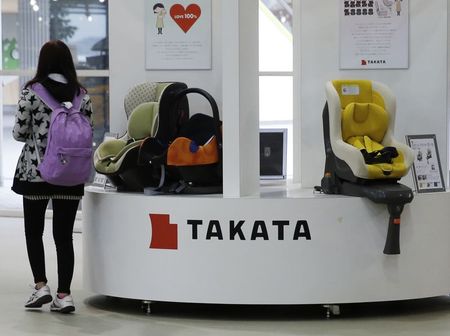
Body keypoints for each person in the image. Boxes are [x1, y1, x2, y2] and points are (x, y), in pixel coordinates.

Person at [12, 40, 93, 314]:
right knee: (64, 236)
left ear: (43, 62)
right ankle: (64, 295)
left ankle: (41, 286)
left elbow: (19, 133)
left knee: (34, 232)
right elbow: (88, 129)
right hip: (71, 174)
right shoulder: (82, 95)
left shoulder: (32, 92)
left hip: (35, 172)